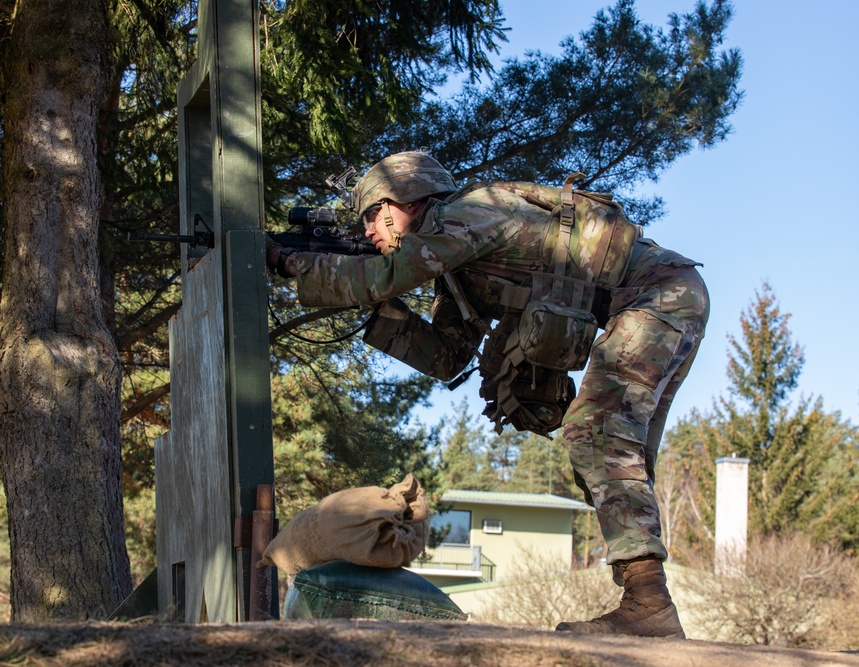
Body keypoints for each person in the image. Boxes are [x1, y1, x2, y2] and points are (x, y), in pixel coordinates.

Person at [267, 151, 709, 638]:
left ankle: (648, 606)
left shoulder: (472, 211)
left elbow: (383, 276)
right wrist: (380, 307)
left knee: (596, 432)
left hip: (659, 293)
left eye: (374, 213)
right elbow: (447, 356)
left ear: (409, 201)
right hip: (662, 300)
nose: (369, 229)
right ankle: (647, 604)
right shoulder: (457, 271)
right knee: (611, 460)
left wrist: (291, 262)